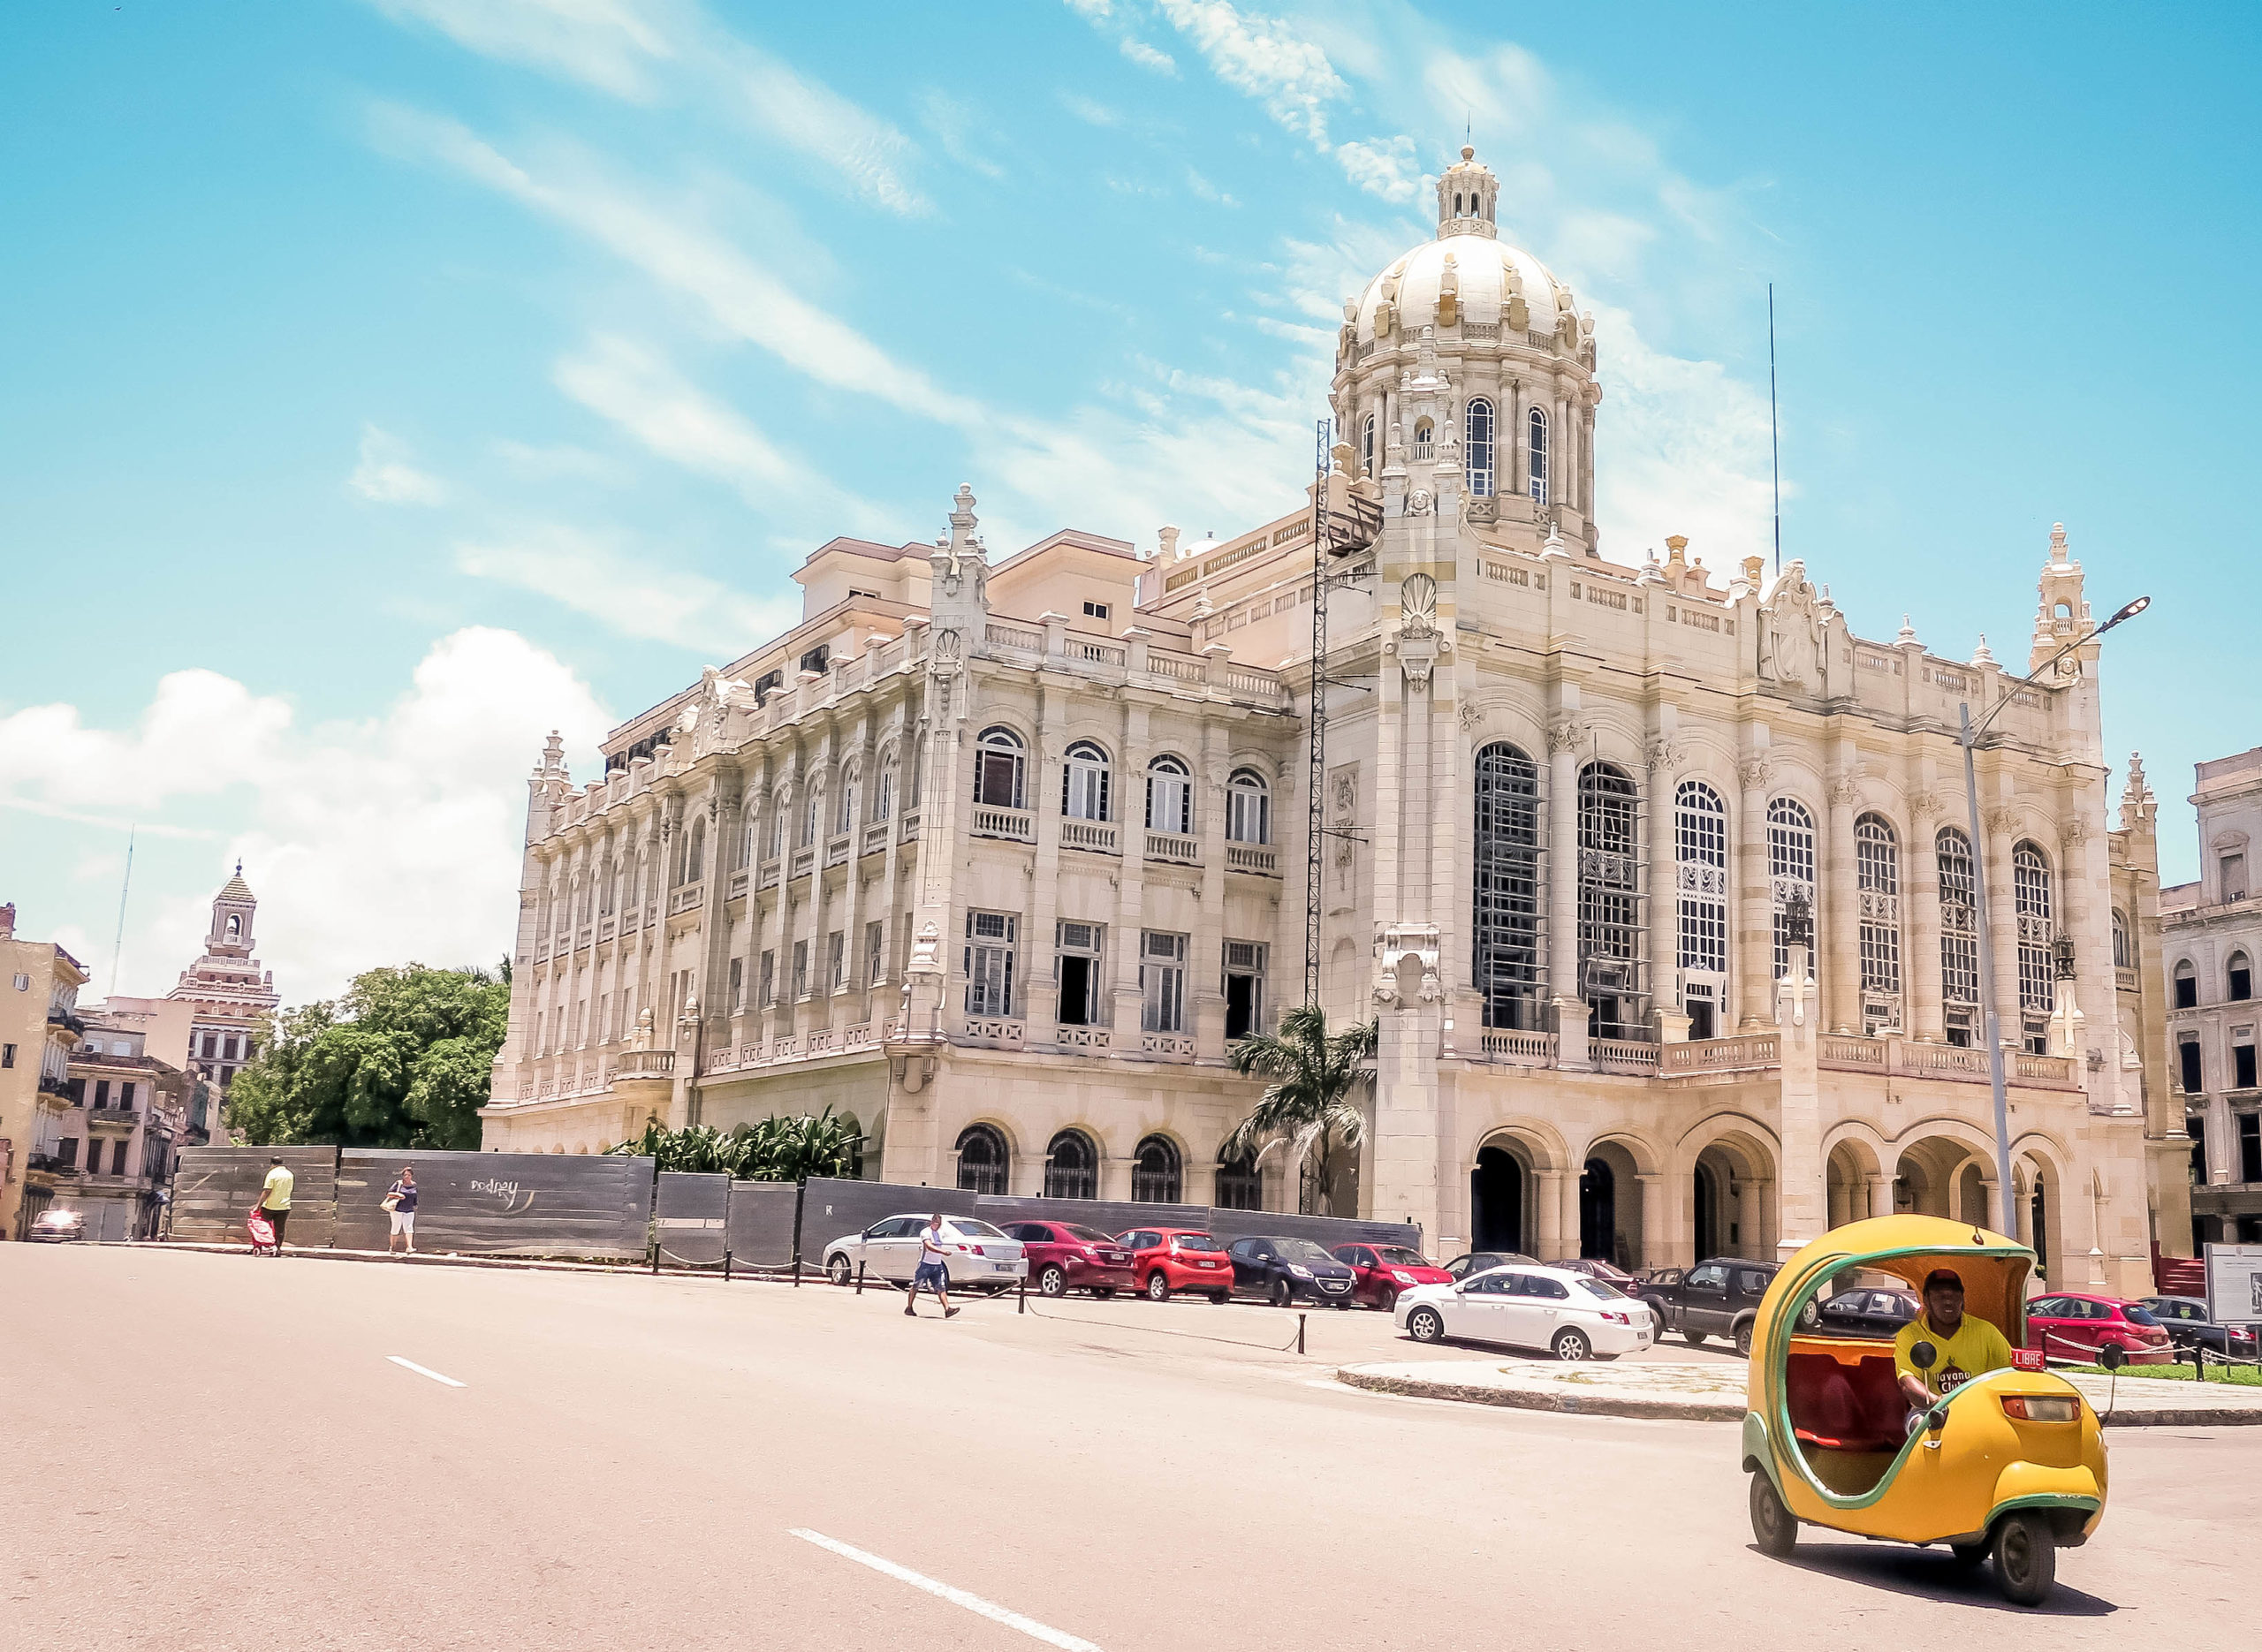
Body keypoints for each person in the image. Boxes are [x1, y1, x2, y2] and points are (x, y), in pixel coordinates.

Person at [1894, 1268, 2012, 1411]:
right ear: (1926, 1300)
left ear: (1962, 1299)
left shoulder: (1986, 1331)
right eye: (1940, 1295)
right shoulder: (1910, 1335)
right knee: (1918, 1423)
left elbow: (2010, 1373)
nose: (1948, 1302)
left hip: (1980, 1410)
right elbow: (1907, 1380)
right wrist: (1936, 1402)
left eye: (1954, 1295)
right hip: (1930, 1411)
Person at [906, 1213, 960, 1319]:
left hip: (937, 1265)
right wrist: (943, 1252)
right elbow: (929, 1246)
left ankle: (947, 1309)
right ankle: (909, 1307)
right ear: (931, 1222)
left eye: (939, 1224)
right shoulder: (925, 1232)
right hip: (925, 1264)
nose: (937, 1225)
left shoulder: (940, 1232)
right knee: (916, 1286)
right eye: (936, 1223)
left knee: (941, 1287)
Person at [255, 1156, 293, 1252]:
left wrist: (258, 1205)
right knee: (280, 1228)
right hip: (285, 1206)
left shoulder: (272, 1174)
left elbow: (267, 1190)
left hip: (269, 1206)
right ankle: (278, 1248)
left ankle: (260, 1246)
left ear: (272, 1164)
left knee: (263, 1226)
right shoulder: (289, 1174)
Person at [385, 1166, 418, 1255]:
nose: (407, 1176)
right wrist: (399, 1195)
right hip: (397, 1209)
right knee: (396, 1227)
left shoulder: (414, 1184)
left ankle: (409, 1247)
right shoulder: (399, 1183)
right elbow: (389, 1193)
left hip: (409, 1209)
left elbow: (415, 1195)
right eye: (405, 1175)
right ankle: (393, 1247)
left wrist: (415, 1204)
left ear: (411, 1176)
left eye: (409, 1175)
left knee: (409, 1228)